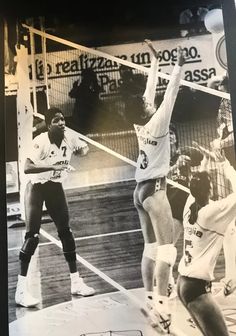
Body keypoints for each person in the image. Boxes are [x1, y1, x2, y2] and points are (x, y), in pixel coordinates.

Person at [15, 107, 95, 308]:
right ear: (49, 124)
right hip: (37, 186)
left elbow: (85, 148)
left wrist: (82, 151)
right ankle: (21, 290)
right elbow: (27, 167)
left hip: (55, 186)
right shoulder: (40, 141)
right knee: (32, 237)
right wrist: (54, 167)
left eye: (63, 120)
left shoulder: (70, 137)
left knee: (66, 233)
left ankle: (76, 282)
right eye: (57, 120)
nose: (62, 123)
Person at [133, 40, 187, 332]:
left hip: (138, 191)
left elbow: (149, 93)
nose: (147, 100)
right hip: (154, 190)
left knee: (150, 247)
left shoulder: (140, 124)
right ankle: (163, 310)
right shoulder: (159, 123)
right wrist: (177, 65)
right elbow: (170, 94)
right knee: (167, 252)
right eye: (145, 102)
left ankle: (150, 298)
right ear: (147, 110)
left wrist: (154, 61)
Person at [177, 149, 236, 336]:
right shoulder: (212, 213)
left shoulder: (190, 205)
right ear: (210, 189)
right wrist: (226, 165)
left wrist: (204, 167)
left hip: (183, 284)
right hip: (196, 288)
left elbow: (199, 183)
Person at [69, 68, 101, 134]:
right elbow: (71, 94)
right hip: (85, 117)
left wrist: (77, 85)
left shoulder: (83, 88)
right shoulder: (83, 87)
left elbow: (72, 94)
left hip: (86, 117)